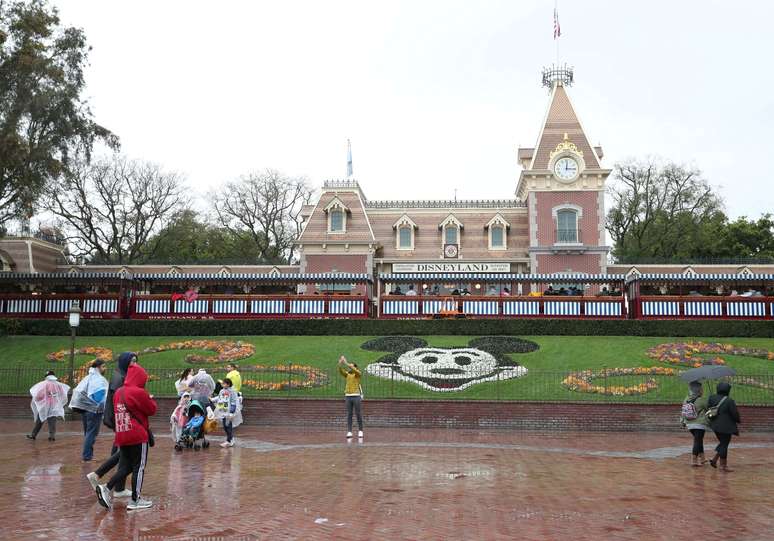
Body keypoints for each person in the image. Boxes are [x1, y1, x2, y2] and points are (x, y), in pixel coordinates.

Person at [96, 363, 157, 511]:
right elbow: (152, 409)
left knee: (127, 466)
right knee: (139, 467)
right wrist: (148, 398)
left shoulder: (119, 392)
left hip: (122, 433)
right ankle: (135, 500)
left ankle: (107, 487)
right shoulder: (139, 392)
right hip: (137, 434)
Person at [88, 352, 137, 497]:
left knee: (122, 452)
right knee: (124, 452)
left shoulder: (122, 376)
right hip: (120, 420)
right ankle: (101, 477)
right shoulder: (119, 378)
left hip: (121, 420)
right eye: (132, 361)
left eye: (136, 361)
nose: (134, 364)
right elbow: (119, 401)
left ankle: (114, 484)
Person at [69, 359, 109, 462]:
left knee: (88, 432)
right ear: (98, 368)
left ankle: (88, 454)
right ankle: (87, 456)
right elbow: (98, 396)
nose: (105, 369)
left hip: (85, 409)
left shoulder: (88, 377)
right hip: (94, 410)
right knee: (91, 433)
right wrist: (102, 406)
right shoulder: (98, 379)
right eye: (103, 366)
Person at [707, 382, 741, 472]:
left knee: (723, 443)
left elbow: (708, 408)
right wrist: (738, 420)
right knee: (724, 444)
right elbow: (734, 414)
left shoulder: (711, 398)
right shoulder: (729, 401)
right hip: (726, 427)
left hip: (715, 425)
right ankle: (722, 465)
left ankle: (716, 461)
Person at [27, 370, 69, 441]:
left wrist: (37, 399)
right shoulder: (58, 385)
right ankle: (52, 436)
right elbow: (62, 394)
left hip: (45, 405)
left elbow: (38, 395)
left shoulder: (44, 384)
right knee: (52, 420)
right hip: (54, 405)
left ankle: (33, 435)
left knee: (40, 419)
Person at [681, 381, 711, 467]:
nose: (702, 390)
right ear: (699, 390)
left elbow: (683, 411)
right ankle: (694, 460)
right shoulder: (701, 400)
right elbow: (708, 408)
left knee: (699, 440)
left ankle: (702, 458)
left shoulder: (686, 398)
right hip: (699, 424)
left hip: (689, 424)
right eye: (701, 388)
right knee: (697, 440)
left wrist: (682, 421)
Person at [338, 356, 363, 439]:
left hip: (356, 396)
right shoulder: (348, 375)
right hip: (348, 396)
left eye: (352, 366)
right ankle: (349, 431)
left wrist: (346, 363)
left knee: (358, 413)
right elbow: (341, 371)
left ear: (355, 367)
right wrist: (340, 363)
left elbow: (355, 370)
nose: (350, 367)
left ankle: (360, 431)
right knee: (349, 414)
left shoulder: (358, 374)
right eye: (350, 366)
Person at [214, 378, 242, 447]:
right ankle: (231, 439)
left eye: (224, 383)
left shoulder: (232, 392)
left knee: (228, 425)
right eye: (222, 383)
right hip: (223, 410)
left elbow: (233, 402)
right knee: (225, 426)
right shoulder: (222, 391)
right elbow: (219, 397)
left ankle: (229, 441)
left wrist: (231, 412)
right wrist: (212, 399)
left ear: (228, 384)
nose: (222, 385)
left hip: (229, 412)